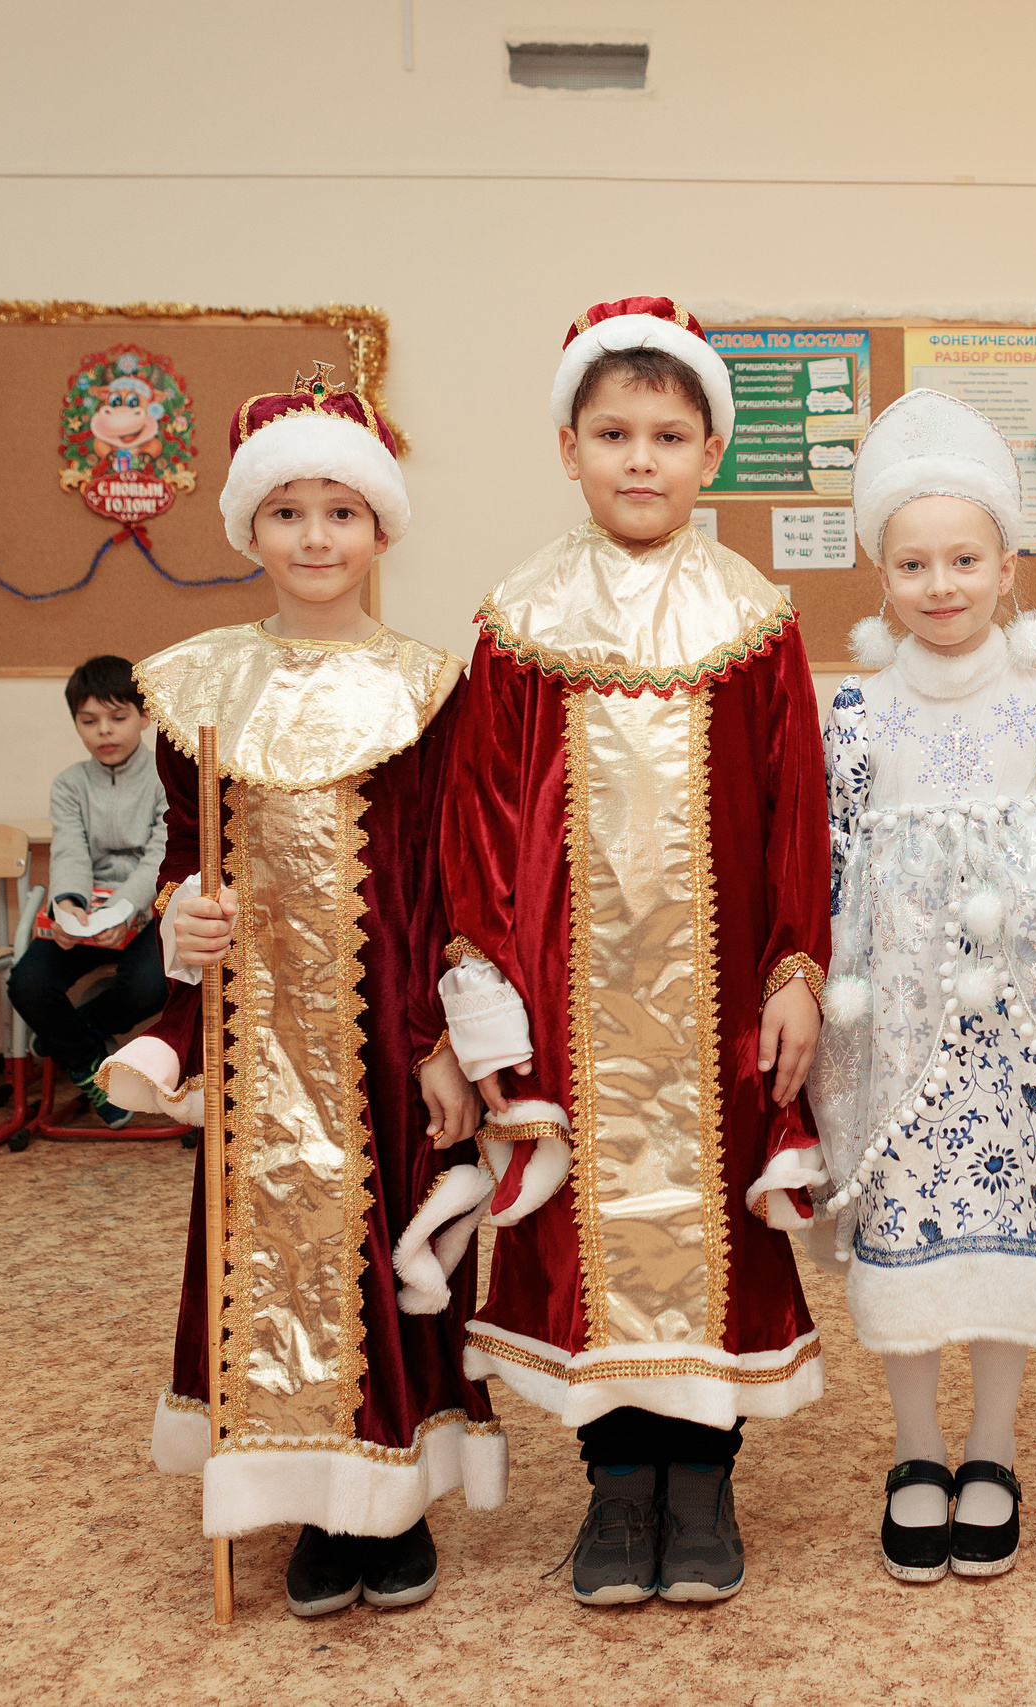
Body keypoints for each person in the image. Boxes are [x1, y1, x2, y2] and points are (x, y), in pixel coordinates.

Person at [435, 298, 831, 1608]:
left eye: (668, 435)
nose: (641, 459)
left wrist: (796, 969)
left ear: (711, 452)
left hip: (721, 998)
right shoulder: (520, 622)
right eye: (614, 433)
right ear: (569, 448)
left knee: (714, 1221)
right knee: (581, 1230)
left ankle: (702, 1477)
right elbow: (479, 809)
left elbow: (794, 806)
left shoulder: (755, 620)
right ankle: (615, 1482)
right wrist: (481, 981)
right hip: (567, 993)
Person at [96, 376, 500, 1619]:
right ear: (248, 528)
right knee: (264, 1262)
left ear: (381, 528)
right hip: (257, 1035)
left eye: (341, 511)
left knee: (391, 1249)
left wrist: (439, 1037)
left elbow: (447, 870)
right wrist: (186, 918)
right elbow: (186, 857)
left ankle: (391, 1497)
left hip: (389, 1027)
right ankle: (313, 1507)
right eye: (287, 512)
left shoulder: (431, 686)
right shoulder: (198, 688)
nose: (315, 537)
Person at [809, 389, 1036, 1583]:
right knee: (903, 1219)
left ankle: (992, 1450)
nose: (939, 584)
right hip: (898, 1028)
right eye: (912, 563)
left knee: (1015, 1228)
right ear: (881, 576)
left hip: (1020, 1029)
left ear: (1007, 568)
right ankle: (914, 1451)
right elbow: (836, 865)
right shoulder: (857, 713)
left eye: (963, 560)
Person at [3, 655, 169, 1129]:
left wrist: (121, 911)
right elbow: (69, 852)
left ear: (145, 715)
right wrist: (68, 907)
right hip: (88, 910)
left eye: (118, 717)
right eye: (89, 721)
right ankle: (86, 1061)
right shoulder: (70, 784)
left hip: (147, 907)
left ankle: (72, 1034)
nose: (104, 732)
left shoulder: (165, 776)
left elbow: (158, 858)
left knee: (152, 985)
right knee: (27, 983)